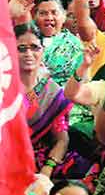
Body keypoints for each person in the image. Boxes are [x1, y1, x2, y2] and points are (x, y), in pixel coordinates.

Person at [17, 22, 72, 178]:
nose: (28, 53)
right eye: (21, 49)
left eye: (34, 47)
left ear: (43, 51)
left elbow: (61, 139)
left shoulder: (52, 92)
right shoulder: (4, 89)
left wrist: (47, 170)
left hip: (41, 162)